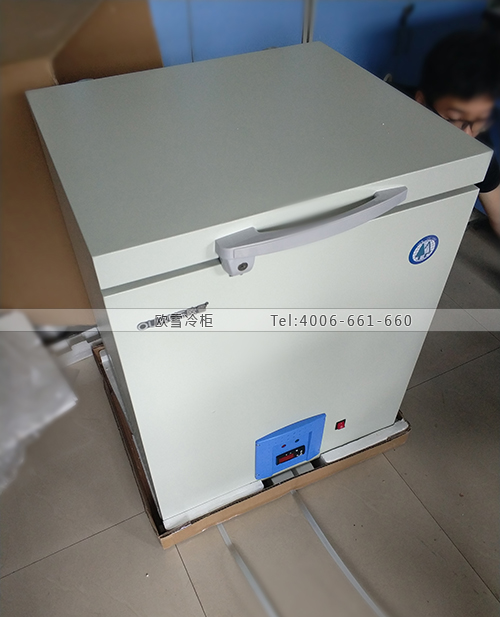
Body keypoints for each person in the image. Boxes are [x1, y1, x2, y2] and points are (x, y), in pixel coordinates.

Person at [396, 31, 500, 236]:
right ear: (420, 101)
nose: (468, 135)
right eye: (454, 119)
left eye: (479, 121)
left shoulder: (478, 146)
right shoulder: (387, 113)